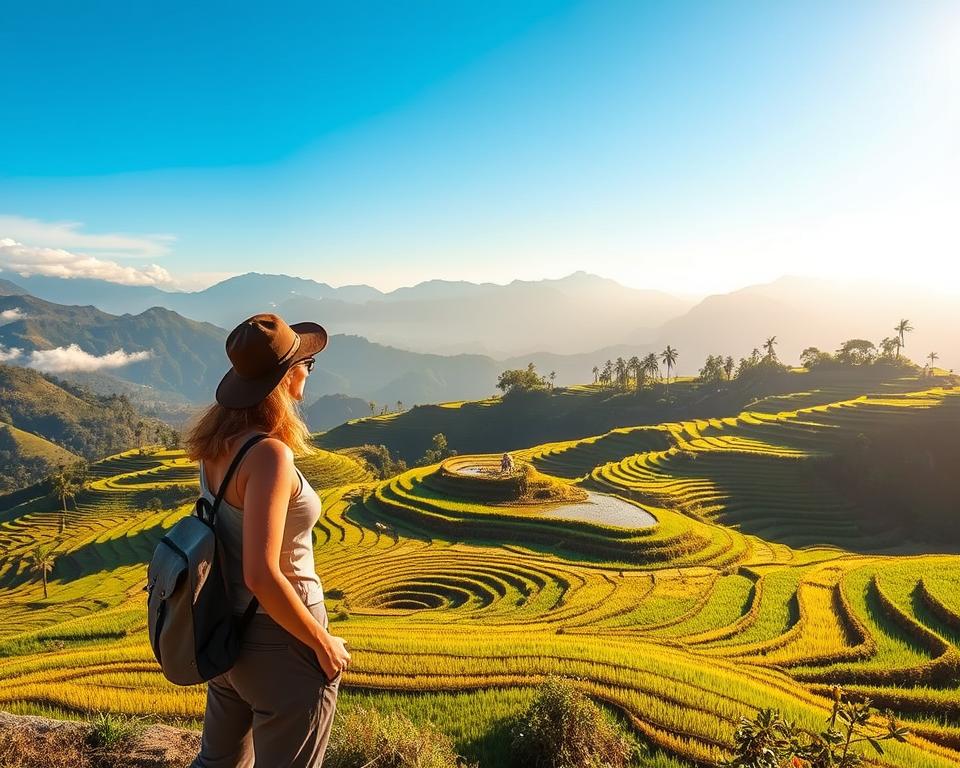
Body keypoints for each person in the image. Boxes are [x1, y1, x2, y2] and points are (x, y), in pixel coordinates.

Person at [187, 313, 350, 768]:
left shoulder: (216, 447)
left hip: (226, 634)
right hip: (282, 640)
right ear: (285, 377)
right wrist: (321, 642)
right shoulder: (270, 456)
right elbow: (260, 573)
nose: (309, 372)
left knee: (216, 762)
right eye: (307, 364)